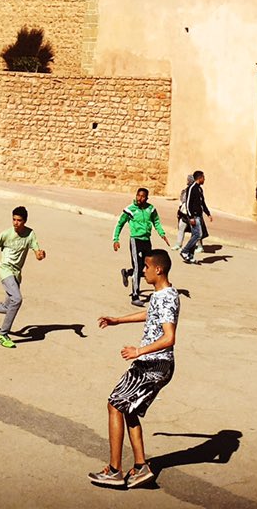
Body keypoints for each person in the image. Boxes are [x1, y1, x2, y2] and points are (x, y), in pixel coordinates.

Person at [89, 249, 179, 489]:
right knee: (127, 409)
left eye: (147, 267)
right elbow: (150, 315)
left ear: (158, 269)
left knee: (114, 404)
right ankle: (141, 467)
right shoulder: (164, 294)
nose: (144, 271)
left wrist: (139, 351)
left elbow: (169, 337)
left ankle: (115, 470)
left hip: (154, 364)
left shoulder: (166, 297)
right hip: (154, 362)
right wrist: (117, 320)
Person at [0, 206, 46, 349]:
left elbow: (37, 254)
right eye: (13, 219)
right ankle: (2, 335)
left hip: (17, 274)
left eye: (19, 220)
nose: (15, 223)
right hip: (5, 271)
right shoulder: (6, 234)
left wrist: (41, 255)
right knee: (17, 299)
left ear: (24, 221)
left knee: (8, 307)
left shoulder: (30, 235)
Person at [113, 187, 168, 306]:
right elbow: (119, 224)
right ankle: (135, 295)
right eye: (138, 195)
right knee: (138, 267)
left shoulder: (151, 209)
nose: (140, 198)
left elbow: (156, 222)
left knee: (146, 267)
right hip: (135, 240)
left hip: (146, 240)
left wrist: (162, 234)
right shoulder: (130, 210)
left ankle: (128, 272)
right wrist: (116, 239)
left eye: (143, 196)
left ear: (147, 198)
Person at [179, 171, 212, 264]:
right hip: (193, 216)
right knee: (198, 235)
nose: (204, 179)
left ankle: (190, 256)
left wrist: (208, 213)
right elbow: (188, 203)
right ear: (199, 178)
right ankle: (185, 251)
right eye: (203, 178)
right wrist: (191, 217)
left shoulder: (200, 189)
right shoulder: (191, 188)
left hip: (199, 215)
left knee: (195, 235)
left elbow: (202, 203)